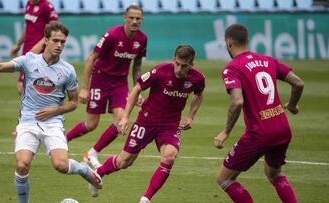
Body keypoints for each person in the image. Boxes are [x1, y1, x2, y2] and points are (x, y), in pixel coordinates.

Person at [0, 22, 102, 203]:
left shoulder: (68, 70)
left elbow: (73, 103)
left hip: (53, 122)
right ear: (46, 40)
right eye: (55, 40)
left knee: (61, 165)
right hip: (28, 121)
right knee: (22, 164)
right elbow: (5, 65)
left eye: (63, 42)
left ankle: (85, 170)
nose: (59, 45)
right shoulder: (29, 60)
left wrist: (56, 109)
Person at [90, 45, 205, 202]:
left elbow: (199, 94)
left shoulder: (197, 78)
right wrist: (125, 117)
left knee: (169, 157)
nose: (179, 69)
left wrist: (191, 116)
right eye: (177, 63)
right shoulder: (161, 71)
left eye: (184, 66)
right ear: (174, 59)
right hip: (146, 121)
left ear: (191, 64)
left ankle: (146, 199)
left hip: (170, 125)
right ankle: (98, 173)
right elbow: (137, 89)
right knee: (125, 161)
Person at [214, 24, 304, 203]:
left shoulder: (232, 68)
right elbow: (298, 83)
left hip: (259, 133)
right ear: (247, 40)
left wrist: (226, 132)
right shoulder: (268, 60)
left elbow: (237, 101)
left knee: (224, 179)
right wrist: (292, 105)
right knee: (274, 174)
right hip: (282, 128)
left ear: (229, 41)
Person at [66, 5, 147, 170]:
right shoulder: (112, 35)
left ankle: (92, 153)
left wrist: (137, 89)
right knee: (91, 124)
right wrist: (85, 87)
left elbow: (137, 66)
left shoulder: (142, 39)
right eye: (131, 18)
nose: (134, 21)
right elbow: (91, 58)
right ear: (125, 18)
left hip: (120, 83)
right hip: (100, 79)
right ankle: (63, 139)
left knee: (120, 122)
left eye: (138, 19)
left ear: (142, 20)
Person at [10, 0, 59, 96]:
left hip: (40, 51)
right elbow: (28, 27)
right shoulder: (28, 4)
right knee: (23, 87)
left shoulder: (46, 6)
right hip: (27, 49)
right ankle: (39, 108)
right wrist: (18, 44)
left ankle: (43, 108)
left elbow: (55, 28)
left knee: (26, 86)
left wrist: (40, 45)